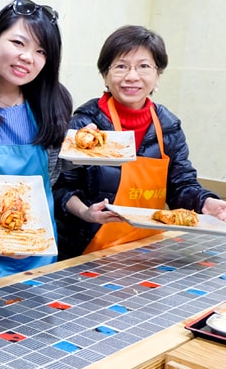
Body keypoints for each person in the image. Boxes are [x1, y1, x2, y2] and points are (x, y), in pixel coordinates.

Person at [53, 25, 226, 258]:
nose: (132, 76)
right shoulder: (86, 125)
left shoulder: (168, 126)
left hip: (145, 250)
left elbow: (181, 185)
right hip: (85, 253)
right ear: (105, 74)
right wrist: (86, 212)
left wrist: (205, 202)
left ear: (157, 74)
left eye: (144, 66)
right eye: (121, 66)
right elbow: (61, 187)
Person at [0, 0, 73, 284]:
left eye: (41, 51)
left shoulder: (53, 103)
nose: (28, 57)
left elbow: (49, 179)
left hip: (39, 255)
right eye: (18, 43)